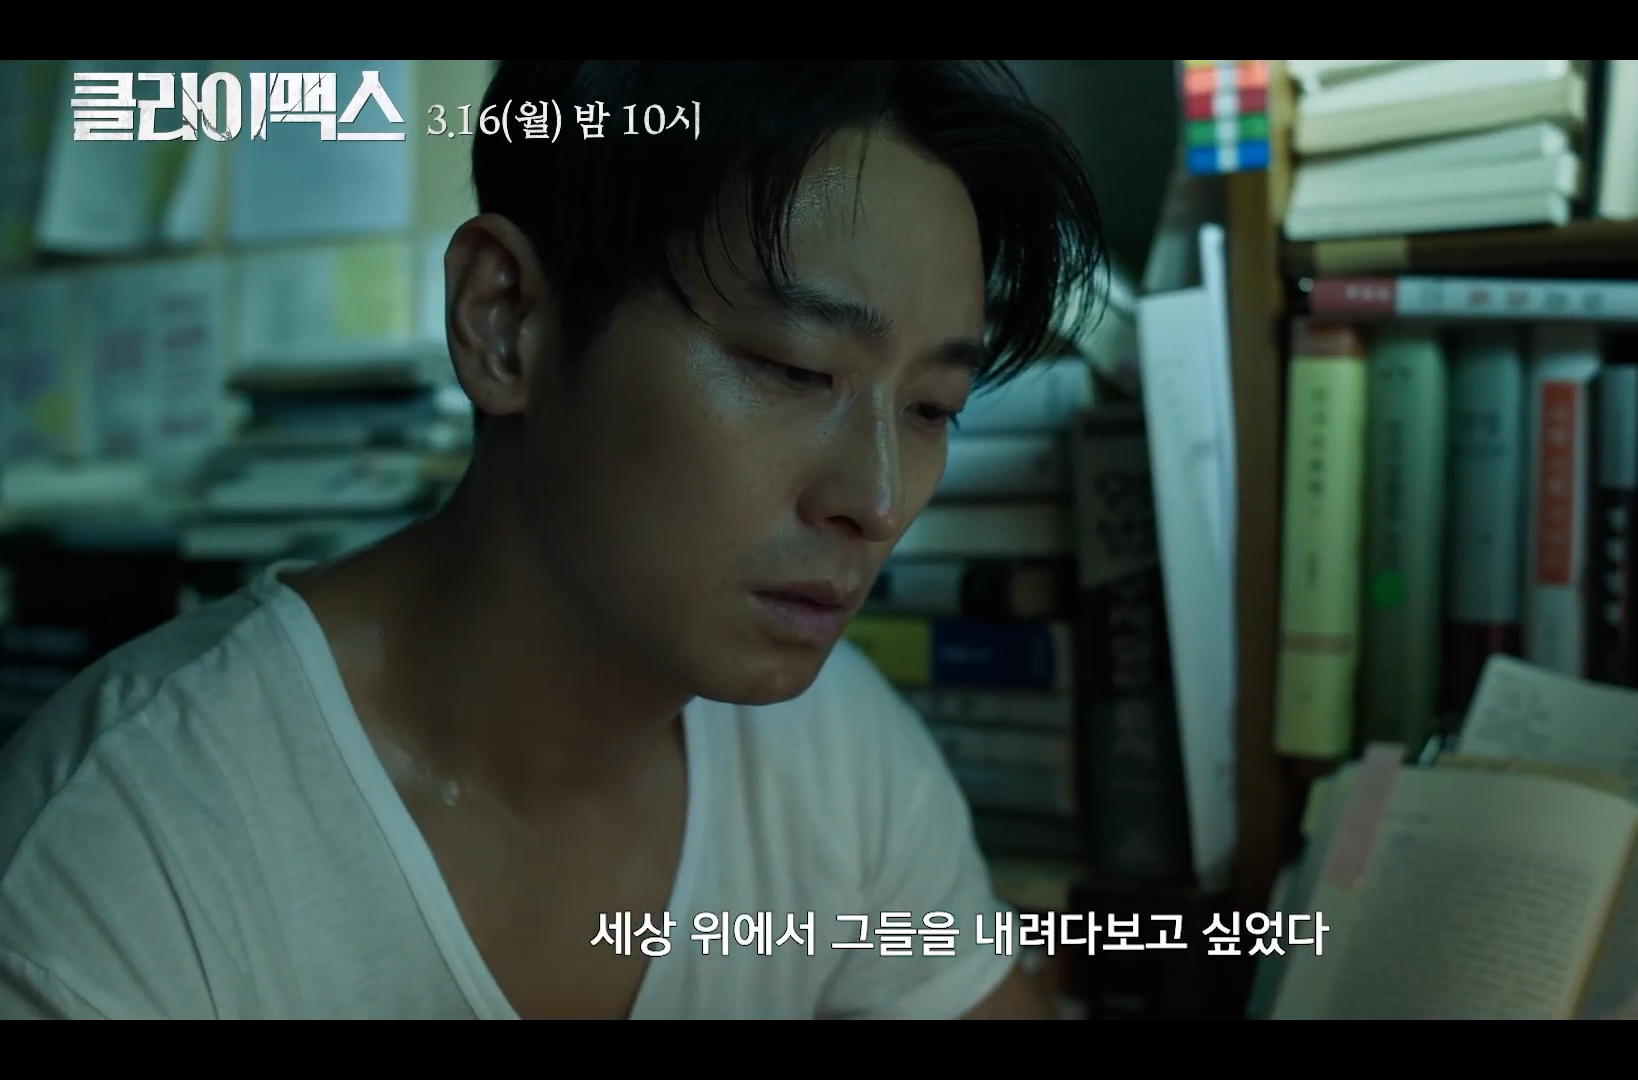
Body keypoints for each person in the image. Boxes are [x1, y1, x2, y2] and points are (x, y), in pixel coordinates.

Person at [0, 61, 1105, 1020]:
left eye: (931, 408)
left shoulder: (837, 760)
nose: (878, 498)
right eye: (794, 368)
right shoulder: (131, 850)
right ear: (505, 321)